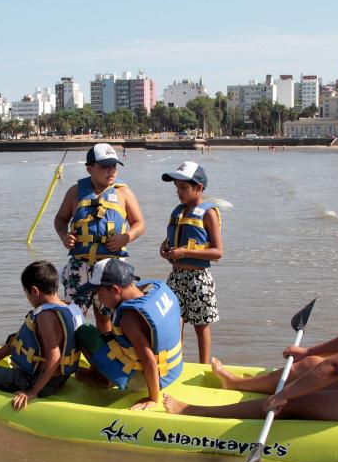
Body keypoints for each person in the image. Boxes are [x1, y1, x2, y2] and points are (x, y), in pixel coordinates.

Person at [164, 257, 338, 422]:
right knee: (309, 363)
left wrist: (285, 395)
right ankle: (235, 383)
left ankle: (193, 411)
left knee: (290, 403)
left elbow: (334, 368)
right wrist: (311, 350)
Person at [53, 143, 145, 333]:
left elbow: (140, 224)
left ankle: (105, 360)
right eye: (104, 166)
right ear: (89, 168)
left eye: (114, 166)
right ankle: (71, 357)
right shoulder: (75, 192)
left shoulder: (123, 193)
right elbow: (60, 219)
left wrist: (125, 238)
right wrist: (64, 236)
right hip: (80, 266)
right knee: (71, 318)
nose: (111, 171)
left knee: (107, 319)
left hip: (111, 268)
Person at [0, 261, 84, 411]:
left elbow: (54, 357)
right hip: (61, 378)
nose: (27, 298)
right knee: (24, 334)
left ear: (34, 291)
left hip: (38, 382)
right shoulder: (69, 306)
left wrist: (32, 392)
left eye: (26, 293)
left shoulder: (45, 316)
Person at [74, 259, 184, 410]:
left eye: (100, 294)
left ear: (116, 290)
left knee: (84, 331)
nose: (100, 300)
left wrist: (153, 398)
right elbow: (180, 320)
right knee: (111, 336)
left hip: (144, 381)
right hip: (172, 372)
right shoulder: (156, 293)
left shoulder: (128, 318)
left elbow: (149, 360)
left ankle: (100, 379)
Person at [159, 162, 223, 364]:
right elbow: (171, 239)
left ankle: (203, 366)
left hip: (198, 278)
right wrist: (164, 249)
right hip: (176, 277)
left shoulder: (208, 213)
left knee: (201, 325)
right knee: (174, 323)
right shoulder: (178, 212)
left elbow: (218, 252)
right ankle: (176, 363)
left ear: (199, 188)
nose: (179, 192)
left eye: (184, 188)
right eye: (177, 188)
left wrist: (185, 251)